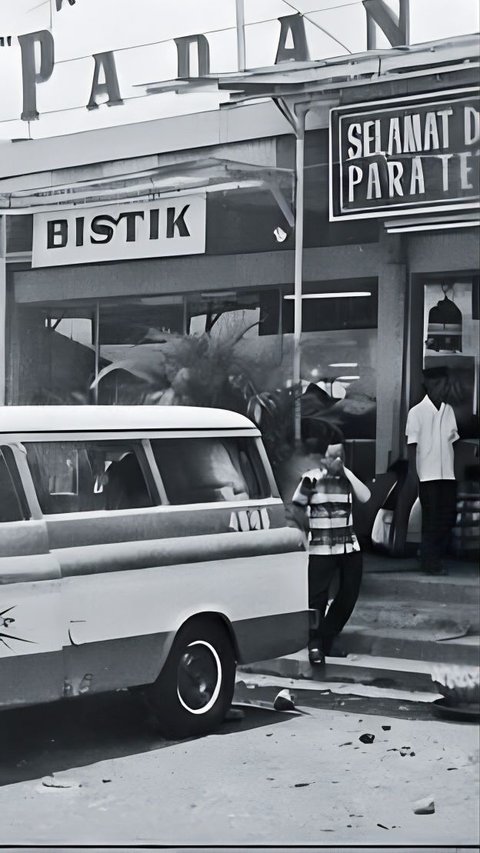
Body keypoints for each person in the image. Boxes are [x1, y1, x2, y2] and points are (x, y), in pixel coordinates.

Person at [292, 438, 371, 665]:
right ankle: (315, 643)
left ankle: (327, 635)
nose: (335, 460)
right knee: (317, 596)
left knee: (350, 591)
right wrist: (305, 535)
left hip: (348, 543)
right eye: (331, 455)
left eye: (340, 456)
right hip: (321, 545)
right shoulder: (312, 477)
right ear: (323, 457)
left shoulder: (348, 480)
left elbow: (365, 496)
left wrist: (344, 470)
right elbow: (297, 507)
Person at [406, 367, 459, 575]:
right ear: (429, 385)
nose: (444, 390)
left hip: (447, 474)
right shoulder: (416, 412)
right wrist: (414, 475)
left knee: (447, 518)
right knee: (431, 520)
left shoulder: (449, 411)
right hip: (427, 475)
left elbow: (452, 441)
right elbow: (411, 446)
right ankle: (430, 563)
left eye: (446, 385)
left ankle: (430, 555)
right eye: (440, 385)